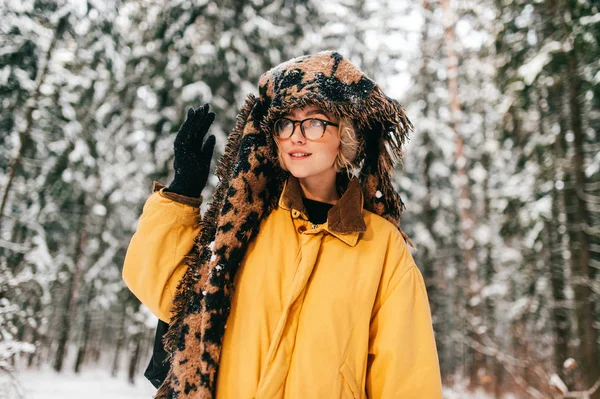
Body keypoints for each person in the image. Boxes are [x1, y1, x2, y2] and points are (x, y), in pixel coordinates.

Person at [123, 51, 442, 399]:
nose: (296, 136)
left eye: (314, 122)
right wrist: (182, 192)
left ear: (345, 135)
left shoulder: (382, 247)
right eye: (285, 123)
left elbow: (406, 377)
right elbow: (164, 289)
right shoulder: (245, 222)